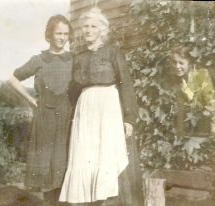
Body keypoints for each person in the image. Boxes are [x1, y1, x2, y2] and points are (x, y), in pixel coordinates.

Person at [59, 7, 143, 206]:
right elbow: (73, 90)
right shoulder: (78, 57)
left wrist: (129, 118)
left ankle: (106, 200)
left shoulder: (113, 52)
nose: (88, 30)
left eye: (93, 26)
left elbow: (126, 84)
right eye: (85, 26)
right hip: (86, 107)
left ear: (102, 30)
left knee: (106, 153)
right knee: (86, 153)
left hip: (108, 106)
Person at [8, 15, 73, 206]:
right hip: (45, 118)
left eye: (66, 34)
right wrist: (30, 100)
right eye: (58, 33)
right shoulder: (39, 60)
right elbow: (12, 79)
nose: (62, 37)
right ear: (49, 35)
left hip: (67, 117)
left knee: (64, 161)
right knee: (47, 164)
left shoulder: (74, 59)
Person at [167, 45, 215, 136]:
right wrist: (180, 133)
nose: (177, 66)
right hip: (190, 128)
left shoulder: (201, 75)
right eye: (174, 62)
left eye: (181, 63)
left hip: (205, 125)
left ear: (189, 63)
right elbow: (180, 110)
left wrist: (213, 134)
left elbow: (211, 105)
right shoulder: (178, 80)